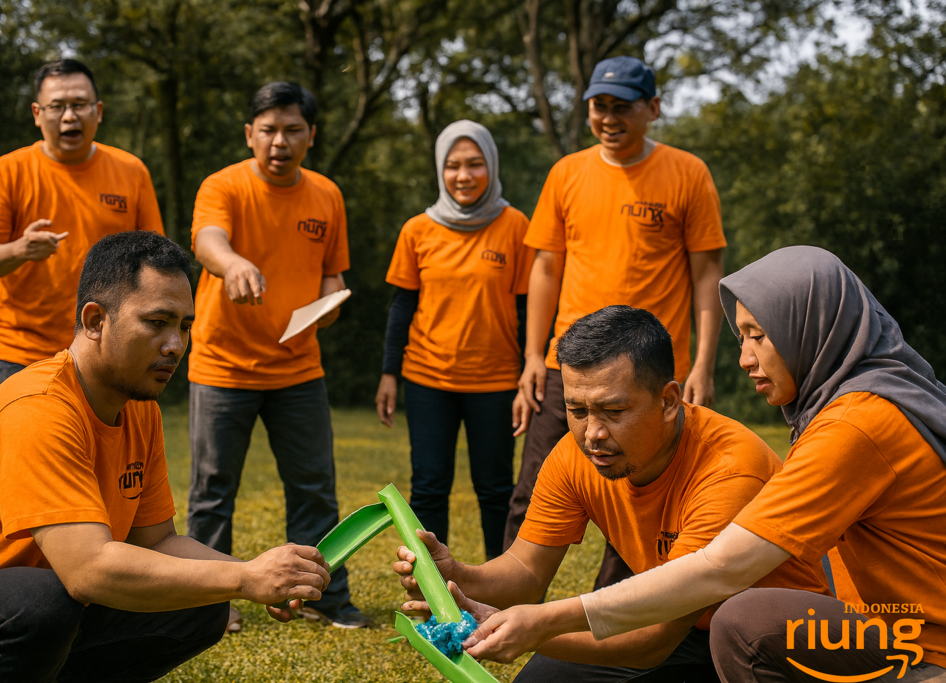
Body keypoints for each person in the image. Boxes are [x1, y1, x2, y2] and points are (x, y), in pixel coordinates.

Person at [461, 247, 946, 683]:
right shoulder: (847, 409)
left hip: (920, 649)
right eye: (742, 337)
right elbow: (525, 569)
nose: (745, 359)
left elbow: (718, 570)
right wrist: (456, 576)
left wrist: (545, 622)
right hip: (868, 628)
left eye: (759, 336)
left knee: (745, 623)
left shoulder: (855, 425)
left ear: (812, 328)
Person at [0, 232, 332, 683]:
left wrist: (255, 573)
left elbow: (156, 542)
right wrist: (244, 580)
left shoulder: (139, 410)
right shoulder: (38, 409)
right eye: (157, 322)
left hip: (18, 613)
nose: (175, 345)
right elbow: (87, 571)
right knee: (39, 601)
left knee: (200, 606)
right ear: (95, 320)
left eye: (184, 326)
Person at [393, 305, 831, 682]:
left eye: (613, 411)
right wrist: (459, 576)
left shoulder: (730, 471)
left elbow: (653, 641)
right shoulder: (576, 455)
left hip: (773, 644)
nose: (593, 434)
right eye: (577, 410)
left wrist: (534, 631)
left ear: (668, 401)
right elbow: (526, 570)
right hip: (679, 621)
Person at [505, 56, 727, 591]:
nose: (608, 118)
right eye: (599, 106)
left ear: (653, 109)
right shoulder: (567, 173)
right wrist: (533, 355)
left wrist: (702, 364)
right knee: (532, 489)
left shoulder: (688, 173)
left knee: (642, 497)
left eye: (622, 107)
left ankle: (622, 614)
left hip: (648, 370)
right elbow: (545, 268)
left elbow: (707, 274)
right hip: (570, 365)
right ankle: (502, 606)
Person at [186, 81, 366, 632]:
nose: (279, 142)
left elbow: (333, 273)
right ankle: (209, 604)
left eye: (292, 130)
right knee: (212, 491)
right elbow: (207, 240)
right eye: (268, 130)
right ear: (250, 134)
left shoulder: (326, 195)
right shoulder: (224, 185)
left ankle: (323, 597)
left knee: (314, 488)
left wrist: (330, 304)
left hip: (298, 368)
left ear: (311, 136)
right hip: (223, 365)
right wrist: (233, 263)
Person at [0, 58, 164, 410]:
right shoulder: (7, 172)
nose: (69, 116)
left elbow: (154, 263)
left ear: (98, 111)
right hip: (17, 352)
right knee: (10, 448)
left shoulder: (131, 172)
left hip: (105, 353)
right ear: (37, 114)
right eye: (56, 106)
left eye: (79, 104)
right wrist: (20, 249)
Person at [375, 120, 535, 561]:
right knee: (428, 486)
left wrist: (528, 373)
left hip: (496, 382)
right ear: (439, 170)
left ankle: (501, 585)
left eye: (474, 164)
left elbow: (527, 310)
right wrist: (389, 373)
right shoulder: (417, 230)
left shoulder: (516, 225)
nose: (463, 175)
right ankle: (431, 588)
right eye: (452, 166)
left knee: (496, 489)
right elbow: (402, 307)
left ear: (492, 165)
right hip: (428, 380)